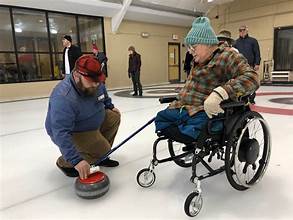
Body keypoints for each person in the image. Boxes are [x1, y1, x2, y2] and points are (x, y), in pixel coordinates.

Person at [155, 17, 260, 141]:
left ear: (207, 43)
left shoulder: (227, 56)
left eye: (193, 47)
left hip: (203, 111)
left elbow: (252, 78)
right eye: (189, 48)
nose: (190, 51)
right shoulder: (199, 59)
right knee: (160, 119)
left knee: (191, 129)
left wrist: (221, 93)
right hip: (183, 108)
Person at [45, 55, 121, 180]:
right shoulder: (64, 97)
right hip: (76, 130)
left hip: (91, 121)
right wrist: (76, 160)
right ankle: (66, 161)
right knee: (104, 148)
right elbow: (60, 132)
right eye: (92, 80)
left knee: (114, 117)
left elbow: (103, 96)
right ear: (76, 75)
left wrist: (110, 105)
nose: (97, 83)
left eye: (98, 79)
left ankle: (101, 155)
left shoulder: (96, 83)